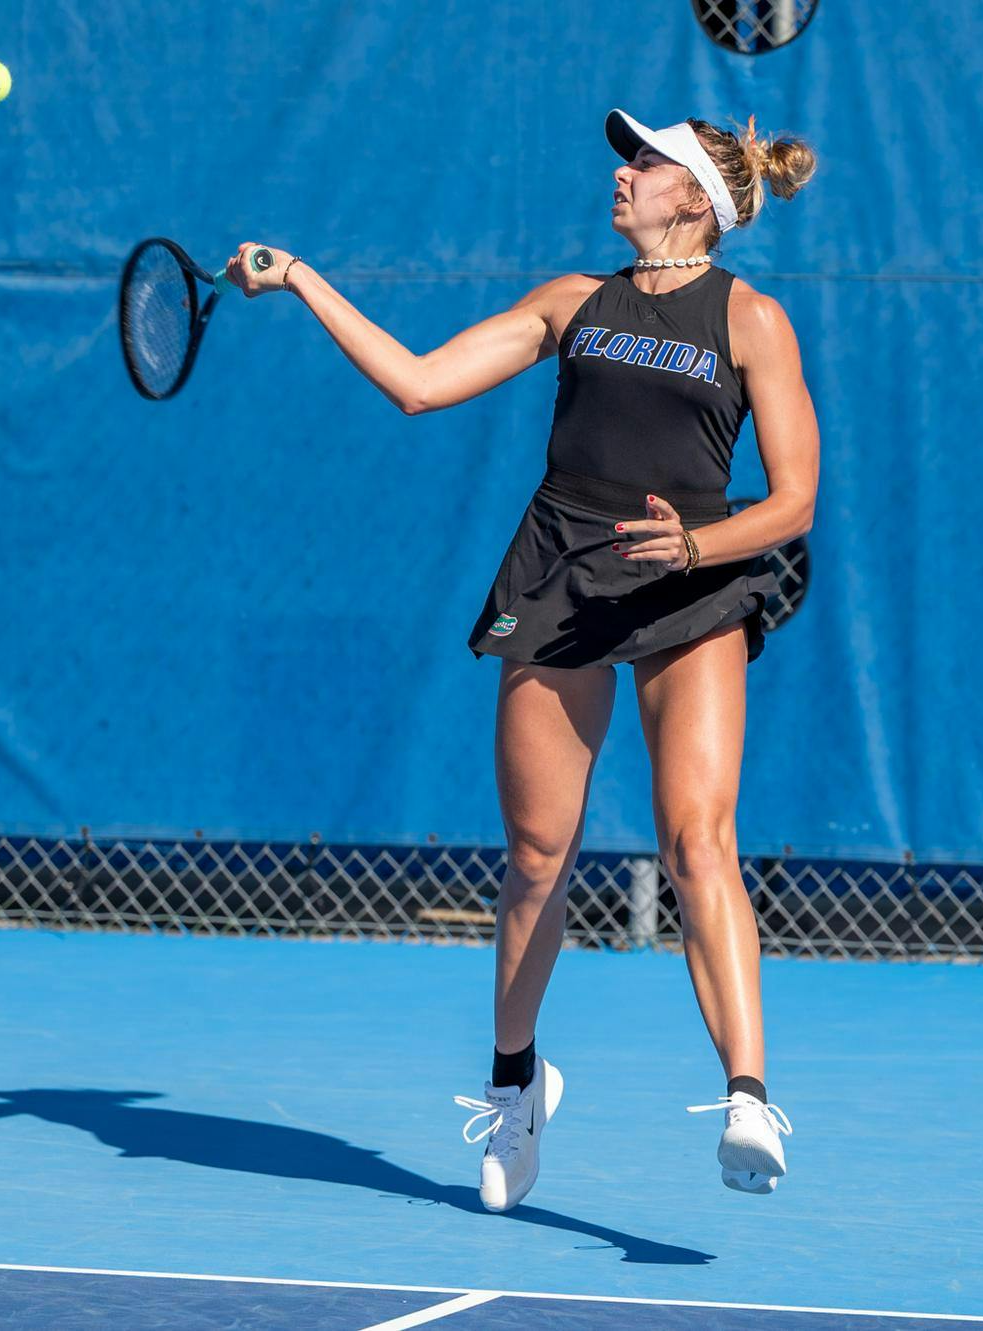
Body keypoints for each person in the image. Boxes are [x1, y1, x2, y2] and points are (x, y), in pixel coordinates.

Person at [224, 108, 820, 1209]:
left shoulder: (753, 320)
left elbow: (792, 500)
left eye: (642, 161)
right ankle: (515, 1084)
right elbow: (416, 382)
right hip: (562, 571)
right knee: (538, 856)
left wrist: (694, 543)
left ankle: (746, 1096)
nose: (621, 170)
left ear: (691, 196)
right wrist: (302, 278)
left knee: (700, 841)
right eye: (626, 155)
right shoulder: (569, 301)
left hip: (687, 581)